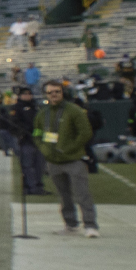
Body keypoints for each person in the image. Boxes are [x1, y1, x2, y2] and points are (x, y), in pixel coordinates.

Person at [36, 81, 96, 236]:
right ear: (46, 95)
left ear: (62, 92)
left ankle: (90, 225)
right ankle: (70, 224)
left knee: (82, 193)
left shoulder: (74, 111)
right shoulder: (43, 114)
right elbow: (37, 133)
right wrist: (44, 149)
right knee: (63, 195)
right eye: (50, 92)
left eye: (57, 91)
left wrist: (70, 148)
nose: (54, 94)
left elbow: (85, 133)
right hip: (53, 161)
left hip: (73, 159)